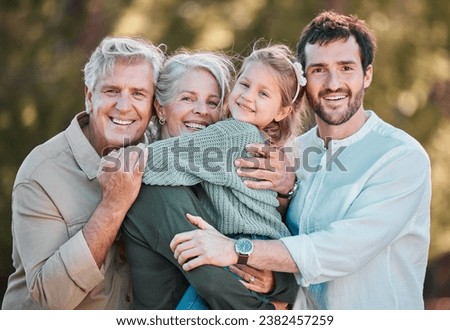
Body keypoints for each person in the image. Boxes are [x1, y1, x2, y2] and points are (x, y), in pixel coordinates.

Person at [170, 10, 432, 310]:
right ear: (304, 81)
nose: (333, 83)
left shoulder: (399, 157)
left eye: (346, 68)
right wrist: (274, 280)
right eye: (319, 69)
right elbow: (275, 234)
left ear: (367, 75)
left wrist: (235, 249)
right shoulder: (288, 153)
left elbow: (338, 251)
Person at [121, 44, 304, 309]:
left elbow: (293, 275)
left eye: (212, 102)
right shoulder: (159, 189)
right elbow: (212, 281)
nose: (202, 111)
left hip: (254, 246)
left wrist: (276, 283)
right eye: (187, 98)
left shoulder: (232, 138)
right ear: (161, 109)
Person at [2, 36, 165, 309]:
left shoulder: (162, 157)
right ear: (90, 97)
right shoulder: (42, 173)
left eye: (138, 93)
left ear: (153, 105)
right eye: (112, 91)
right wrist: (113, 205)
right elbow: (51, 298)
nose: (124, 106)